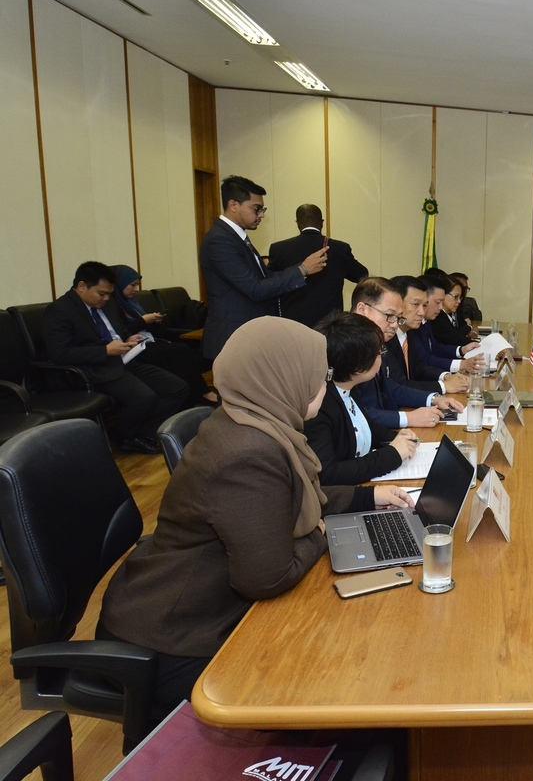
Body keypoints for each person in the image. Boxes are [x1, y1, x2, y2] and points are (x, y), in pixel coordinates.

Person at [97, 317, 414, 716]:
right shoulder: (248, 451)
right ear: (282, 379)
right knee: (337, 681)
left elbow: (297, 496)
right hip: (174, 635)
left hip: (188, 603)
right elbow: (268, 577)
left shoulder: (251, 418)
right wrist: (319, 531)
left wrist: (368, 499)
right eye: (318, 376)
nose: (322, 384)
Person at [42, 262, 189, 454]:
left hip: (125, 359)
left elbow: (118, 331)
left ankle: (140, 433)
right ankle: (124, 437)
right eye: (101, 293)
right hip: (93, 370)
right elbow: (60, 353)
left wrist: (128, 338)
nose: (106, 298)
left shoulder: (107, 304)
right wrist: (105, 351)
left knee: (177, 388)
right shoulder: (59, 311)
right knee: (144, 398)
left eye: (109, 294)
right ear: (82, 286)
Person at [198, 176, 329, 359]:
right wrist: (302, 270)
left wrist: (302, 268)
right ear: (233, 205)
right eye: (256, 209)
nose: (261, 215)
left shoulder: (236, 237)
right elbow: (255, 289)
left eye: (262, 209)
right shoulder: (220, 240)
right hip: (234, 338)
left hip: (249, 336)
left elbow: (265, 278)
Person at [306, 312, 418, 486]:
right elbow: (328, 474)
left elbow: (362, 425)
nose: (382, 356)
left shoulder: (347, 387)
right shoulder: (319, 405)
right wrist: (392, 454)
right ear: (358, 366)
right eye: (379, 352)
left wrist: (395, 437)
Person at [348, 277, 463, 429]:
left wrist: (433, 398)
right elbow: (355, 414)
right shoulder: (346, 347)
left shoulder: (373, 343)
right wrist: (408, 418)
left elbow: (391, 388)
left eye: (397, 317)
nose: (395, 325)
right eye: (389, 315)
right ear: (362, 309)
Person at [110, 265, 218, 407]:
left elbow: (150, 331)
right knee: (178, 350)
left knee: (184, 351)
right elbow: (121, 332)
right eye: (132, 285)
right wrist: (143, 321)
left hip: (148, 341)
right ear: (120, 284)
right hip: (132, 350)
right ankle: (201, 394)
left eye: (137, 285)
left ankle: (195, 396)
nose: (136, 289)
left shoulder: (131, 303)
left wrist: (154, 322)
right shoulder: (112, 306)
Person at [268, 204, 369, 327]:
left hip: (292, 323)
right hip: (329, 324)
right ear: (322, 223)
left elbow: (271, 283)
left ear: (298, 223)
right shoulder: (339, 248)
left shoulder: (279, 249)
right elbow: (362, 275)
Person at [385, 275, 469, 394]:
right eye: (415, 304)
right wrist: (443, 386)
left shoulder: (409, 333)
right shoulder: (386, 337)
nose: (421, 312)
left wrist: (445, 376)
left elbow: (419, 367)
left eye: (424, 305)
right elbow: (399, 384)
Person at [410, 274, 484, 374]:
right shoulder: (413, 326)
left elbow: (435, 348)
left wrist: (461, 350)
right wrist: (460, 366)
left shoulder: (425, 322)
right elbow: (424, 360)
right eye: (438, 302)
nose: (441, 307)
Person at [432, 277, 476, 346]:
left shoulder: (445, 315)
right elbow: (455, 340)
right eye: (456, 297)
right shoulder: (437, 317)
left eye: (460, 297)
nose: (459, 301)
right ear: (443, 294)